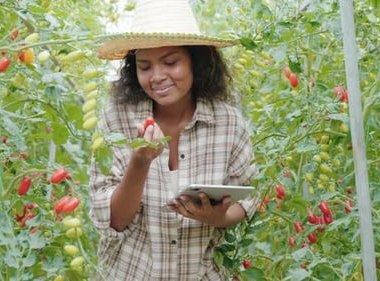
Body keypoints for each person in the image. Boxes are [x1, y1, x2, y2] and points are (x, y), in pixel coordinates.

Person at [88, 0, 259, 280]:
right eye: (144, 66)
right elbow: (114, 221)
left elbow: (246, 197)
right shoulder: (116, 122)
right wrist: (139, 162)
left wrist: (217, 218)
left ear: (197, 61)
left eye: (170, 62)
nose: (157, 77)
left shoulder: (228, 123)